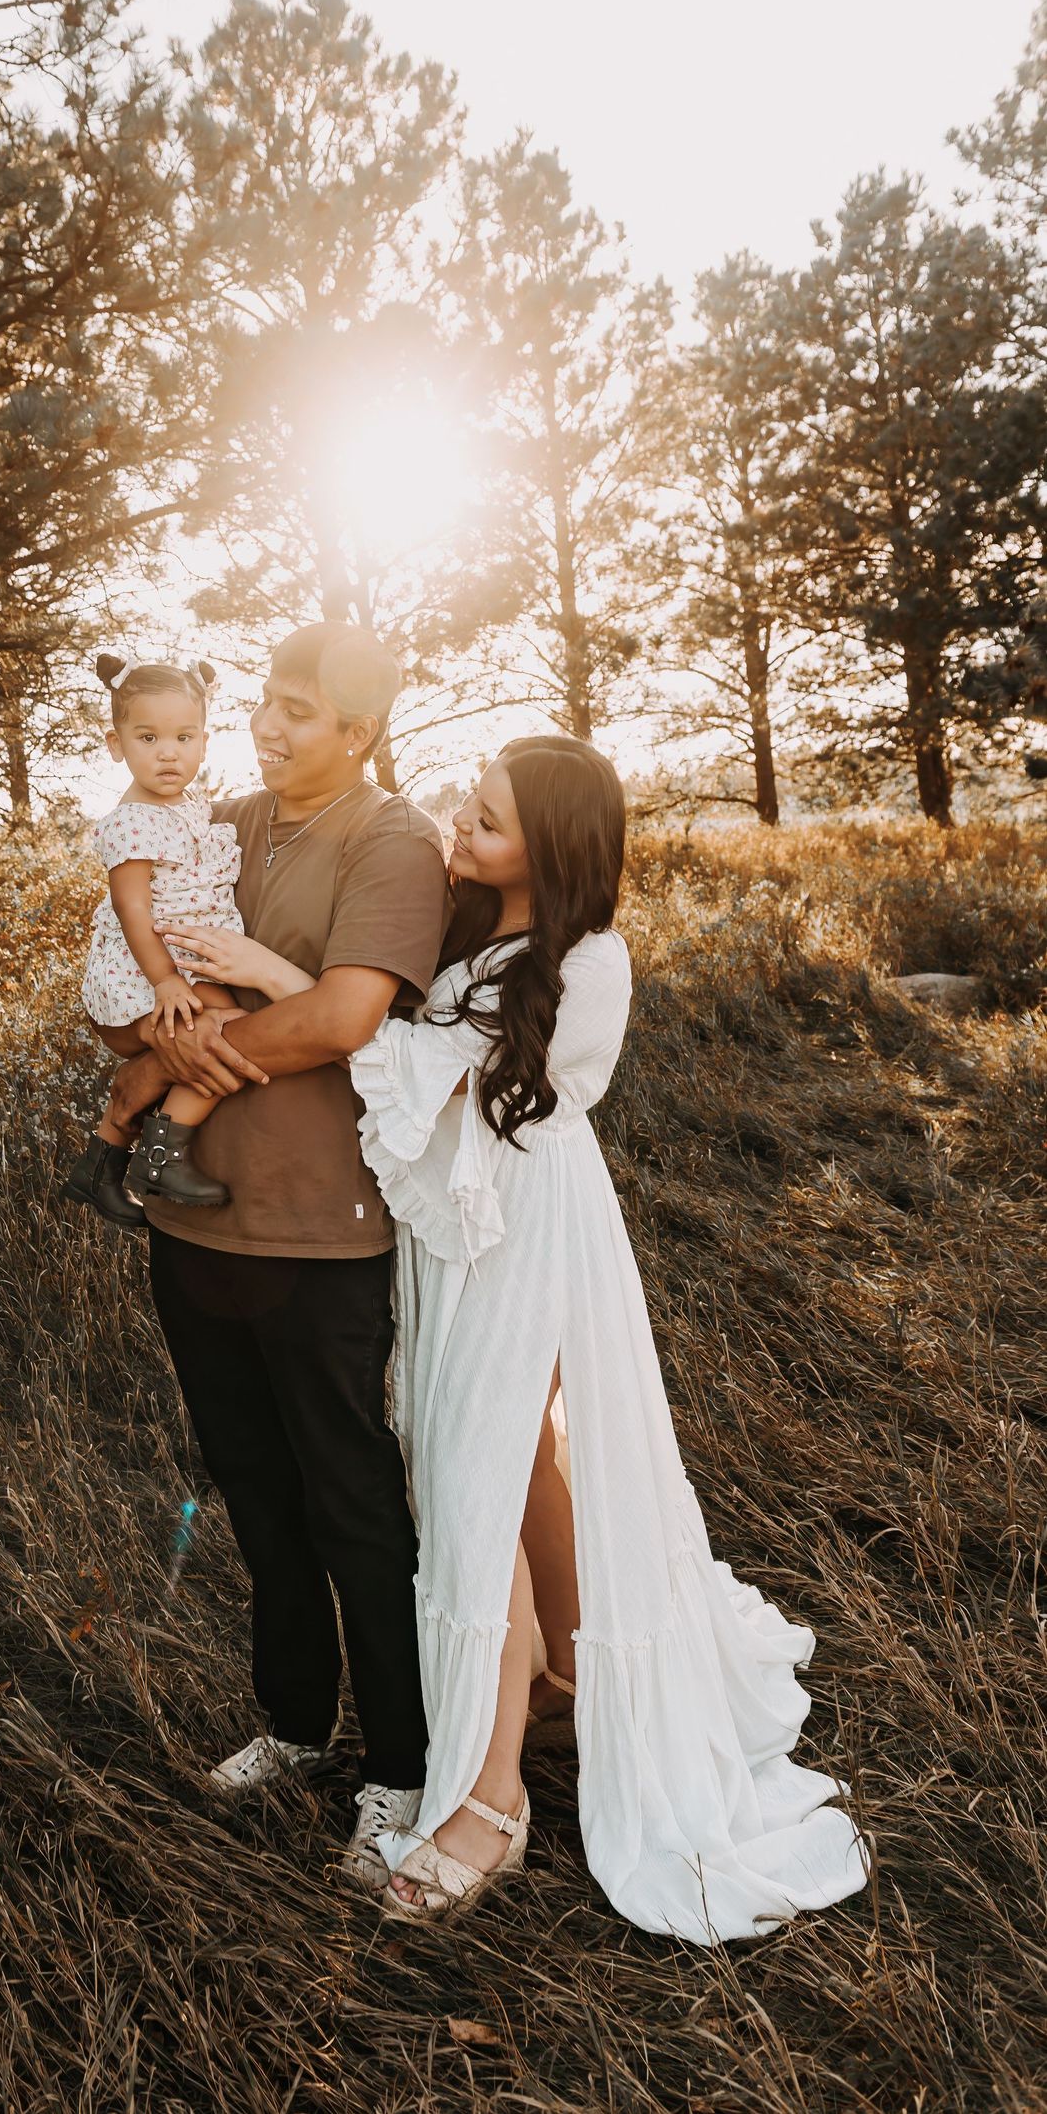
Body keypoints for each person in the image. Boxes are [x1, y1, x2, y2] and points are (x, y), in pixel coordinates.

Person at [332, 735, 872, 1937]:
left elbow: (478, 1088)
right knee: (502, 1453)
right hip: (448, 1234)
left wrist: (300, 992)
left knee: (469, 1476)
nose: (459, 829)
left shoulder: (589, 961)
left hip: (525, 1227)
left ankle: (488, 1795)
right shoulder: (466, 924)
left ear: (556, 848)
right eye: (465, 808)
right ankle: (563, 1671)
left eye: (486, 820)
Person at [91, 623, 450, 1891]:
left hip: (319, 1227)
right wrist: (152, 1041)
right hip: (193, 1220)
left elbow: (350, 1017)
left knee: (354, 1505)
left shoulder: (391, 839)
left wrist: (181, 1055)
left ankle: (401, 1768)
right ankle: (298, 1722)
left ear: (359, 730)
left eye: (302, 711)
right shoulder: (220, 817)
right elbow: (128, 936)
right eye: (266, 703)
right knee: (253, 1488)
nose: (269, 727)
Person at [62, 654, 246, 1229]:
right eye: (148, 737)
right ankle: (164, 1157)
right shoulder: (134, 818)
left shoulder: (187, 806)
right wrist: (166, 979)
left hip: (177, 968)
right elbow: (131, 907)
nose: (168, 752)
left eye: (183, 736)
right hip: (140, 980)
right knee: (228, 1030)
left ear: (204, 742)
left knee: (217, 1032)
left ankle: (99, 1165)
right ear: (116, 745)